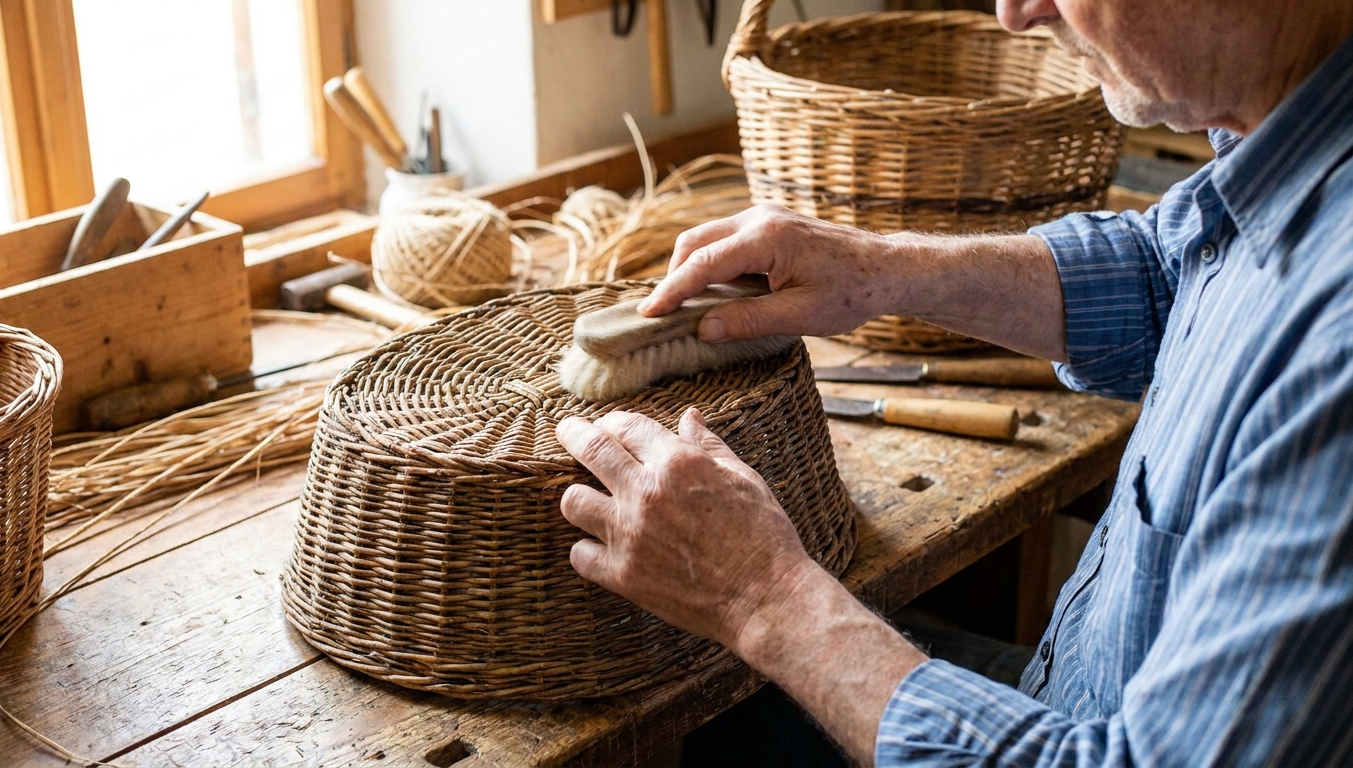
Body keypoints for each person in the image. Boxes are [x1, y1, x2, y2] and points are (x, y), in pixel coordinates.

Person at [555, 0, 1353, 765]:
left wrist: (766, 600)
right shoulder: (1294, 139)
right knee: (726, 721)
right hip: (1077, 694)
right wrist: (880, 270)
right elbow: (1162, 277)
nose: (1016, 11)